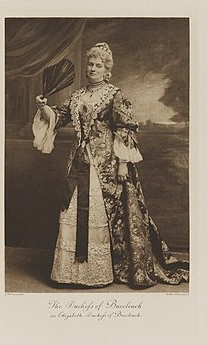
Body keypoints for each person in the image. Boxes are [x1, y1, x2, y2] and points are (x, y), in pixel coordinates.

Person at [33, 42, 189, 289]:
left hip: (105, 164)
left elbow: (125, 127)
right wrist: (44, 107)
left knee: (103, 212)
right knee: (72, 209)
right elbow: (59, 117)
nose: (93, 69)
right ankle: (70, 273)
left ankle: (98, 272)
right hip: (78, 163)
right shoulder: (76, 97)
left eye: (98, 65)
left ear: (107, 70)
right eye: (90, 65)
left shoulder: (114, 95)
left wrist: (123, 163)